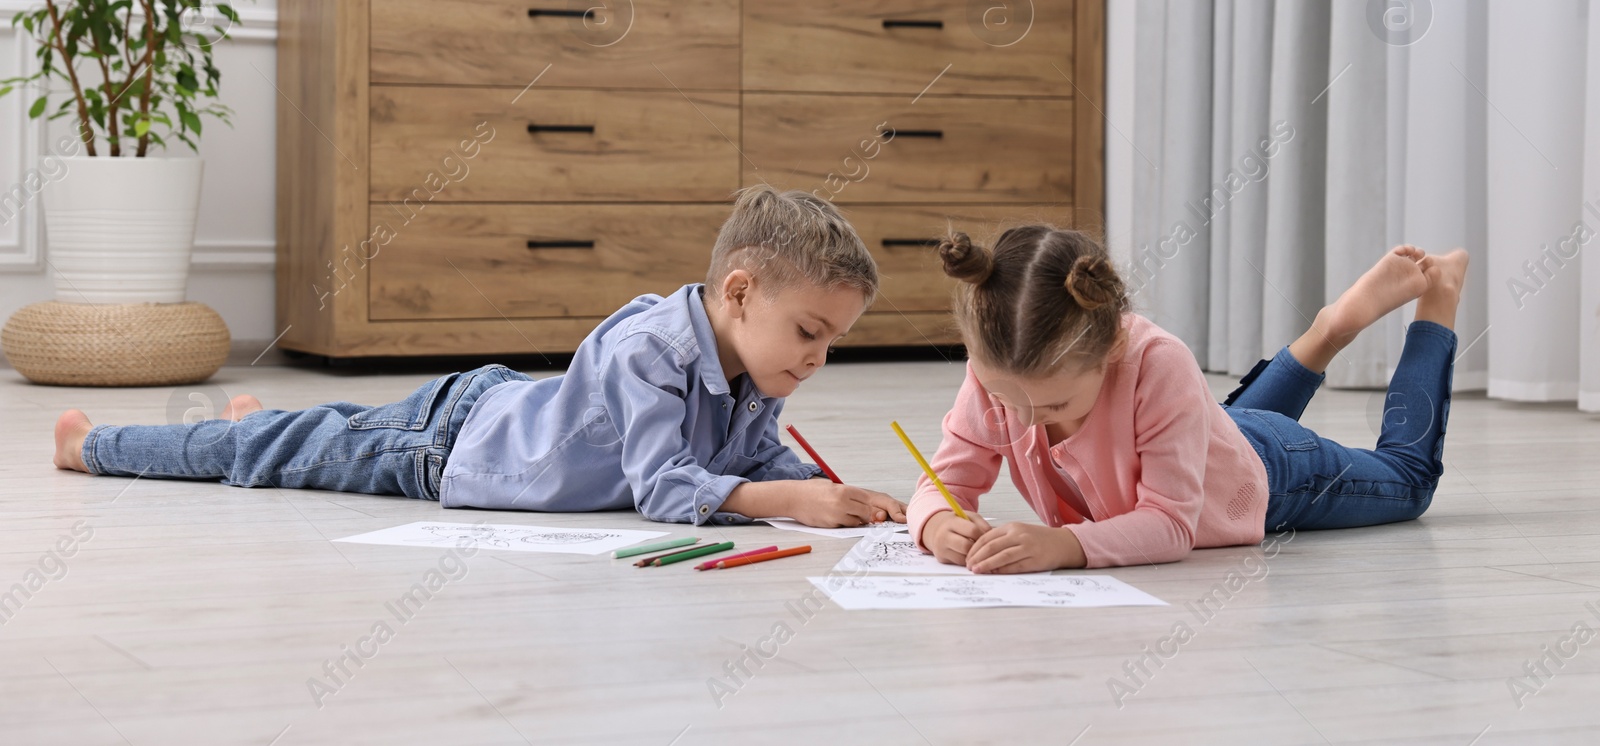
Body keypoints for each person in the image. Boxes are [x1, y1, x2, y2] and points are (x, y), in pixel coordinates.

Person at [52, 186, 907, 528]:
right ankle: (93, 446)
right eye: (810, 332)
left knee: (319, 429)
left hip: (493, 408)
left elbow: (754, 457)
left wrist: (832, 492)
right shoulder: (653, 350)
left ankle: (268, 419)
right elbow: (665, 488)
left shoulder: (758, 363)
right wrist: (794, 501)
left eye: (835, 339)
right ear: (741, 292)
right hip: (455, 446)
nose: (820, 357)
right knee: (273, 456)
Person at [910, 225, 1468, 572]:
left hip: (1269, 473)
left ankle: (1439, 294)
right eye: (1007, 401)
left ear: (1115, 346)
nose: (1021, 420)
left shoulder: (1158, 361)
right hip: (1202, 437)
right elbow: (942, 484)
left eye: (1054, 407)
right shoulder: (1002, 369)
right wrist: (936, 523)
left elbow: (1172, 526)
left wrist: (1063, 546)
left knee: (1409, 480)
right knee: (1230, 420)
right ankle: (1328, 331)